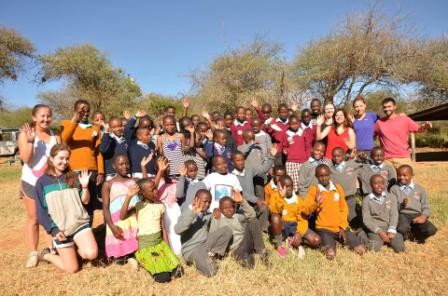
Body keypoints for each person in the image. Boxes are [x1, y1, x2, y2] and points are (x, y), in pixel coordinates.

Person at [35, 144, 98, 273]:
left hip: (79, 223)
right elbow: (41, 211)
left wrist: (85, 187)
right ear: (51, 158)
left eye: (67, 158)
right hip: (60, 229)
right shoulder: (42, 182)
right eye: (61, 158)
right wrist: (53, 230)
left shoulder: (74, 177)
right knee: (72, 269)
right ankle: (47, 255)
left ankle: (76, 247)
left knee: (91, 254)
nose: (64, 162)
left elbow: (85, 201)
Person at [18, 104, 60, 268]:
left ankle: (51, 248)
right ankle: (34, 253)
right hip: (30, 182)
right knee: (34, 218)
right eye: (42, 116)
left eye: (48, 116)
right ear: (34, 117)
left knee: (50, 217)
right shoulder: (25, 134)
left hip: (49, 183)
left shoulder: (54, 137)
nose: (46, 119)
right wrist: (30, 141)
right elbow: (26, 159)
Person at [120, 179, 182, 283]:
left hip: (159, 244)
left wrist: (168, 249)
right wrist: (128, 197)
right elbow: (122, 216)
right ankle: (139, 259)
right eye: (152, 190)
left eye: (156, 188)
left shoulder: (160, 206)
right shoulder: (138, 206)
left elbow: (163, 229)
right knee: (163, 278)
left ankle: (147, 262)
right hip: (146, 247)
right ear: (142, 193)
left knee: (177, 272)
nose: (156, 191)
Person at [302, 164, 366, 259]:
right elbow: (305, 210)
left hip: (340, 227)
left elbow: (343, 209)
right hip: (324, 229)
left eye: (326, 175)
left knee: (361, 249)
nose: (324, 178)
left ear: (330, 174)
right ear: (316, 177)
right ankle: (326, 242)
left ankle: (347, 237)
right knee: (330, 254)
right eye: (321, 176)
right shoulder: (314, 190)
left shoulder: (337, 188)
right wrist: (316, 203)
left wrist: (342, 226)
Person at [60, 99, 104, 221]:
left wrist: (100, 171)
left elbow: (98, 151)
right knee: (75, 202)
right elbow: (64, 140)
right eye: (82, 110)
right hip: (74, 171)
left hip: (92, 172)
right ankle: (75, 234)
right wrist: (75, 119)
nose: (85, 113)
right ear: (75, 110)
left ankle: (88, 232)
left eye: (87, 111)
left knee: (90, 204)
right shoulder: (67, 124)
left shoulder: (95, 128)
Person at [174, 190, 233, 277]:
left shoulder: (207, 215)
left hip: (205, 244)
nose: (207, 204)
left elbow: (216, 227)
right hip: (192, 249)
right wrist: (193, 214)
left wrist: (217, 212)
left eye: (209, 202)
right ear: (195, 200)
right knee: (211, 271)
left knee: (227, 230)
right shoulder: (187, 213)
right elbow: (177, 230)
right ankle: (201, 261)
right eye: (205, 201)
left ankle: (213, 254)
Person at [210, 193, 268, 268]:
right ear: (220, 209)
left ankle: (262, 253)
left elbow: (252, 215)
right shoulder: (218, 219)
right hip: (234, 249)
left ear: (235, 207)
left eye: (231, 207)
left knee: (253, 221)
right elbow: (213, 235)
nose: (229, 210)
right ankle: (244, 257)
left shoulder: (237, 217)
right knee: (249, 265)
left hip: (244, 242)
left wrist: (242, 201)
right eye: (225, 208)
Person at [269, 176, 321, 258]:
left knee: (316, 240)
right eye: (286, 186)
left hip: (294, 226)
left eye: (291, 186)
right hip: (281, 226)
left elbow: (302, 219)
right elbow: (275, 211)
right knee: (275, 217)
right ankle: (279, 246)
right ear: (280, 186)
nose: (289, 188)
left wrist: (299, 233)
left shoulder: (298, 199)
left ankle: (293, 240)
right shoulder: (275, 196)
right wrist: (281, 197)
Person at [101, 154, 139, 264]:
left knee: (137, 250)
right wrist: (112, 226)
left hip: (134, 219)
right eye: (121, 164)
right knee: (120, 259)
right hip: (119, 222)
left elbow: (149, 186)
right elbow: (105, 207)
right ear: (114, 166)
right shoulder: (108, 184)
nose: (125, 166)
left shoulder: (135, 180)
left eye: (127, 163)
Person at [374, 97, 432, 168]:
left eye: (389, 106)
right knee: (386, 179)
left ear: (395, 107)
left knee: (406, 179)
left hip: (403, 158)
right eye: (385, 107)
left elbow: (418, 129)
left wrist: (425, 126)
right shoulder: (379, 123)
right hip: (386, 159)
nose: (387, 109)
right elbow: (371, 136)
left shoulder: (404, 119)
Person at [390, 165, 437, 243]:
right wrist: (402, 205)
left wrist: (423, 216)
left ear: (412, 175)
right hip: (403, 214)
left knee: (431, 230)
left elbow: (426, 206)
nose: (401, 177)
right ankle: (407, 234)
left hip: (417, 214)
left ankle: (417, 236)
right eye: (399, 175)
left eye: (405, 175)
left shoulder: (420, 189)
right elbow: (392, 208)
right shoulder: (394, 189)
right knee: (402, 228)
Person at [362, 175, 404, 253]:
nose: (379, 185)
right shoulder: (366, 200)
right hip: (375, 228)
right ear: (371, 185)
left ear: (385, 184)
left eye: (382, 183)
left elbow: (394, 214)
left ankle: (387, 240)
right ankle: (361, 234)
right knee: (374, 249)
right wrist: (379, 232)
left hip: (388, 226)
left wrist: (392, 229)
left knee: (400, 248)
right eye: (376, 183)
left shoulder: (391, 197)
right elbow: (366, 219)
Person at [329, 147, 361, 227]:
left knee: (354, 221)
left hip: (350, 198)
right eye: (334, 156)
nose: (336, 158)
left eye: (338, 156)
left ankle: (360, 235)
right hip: (337, 200)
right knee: (338, 222)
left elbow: (364, 164)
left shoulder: (351, 164)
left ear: (344, 156)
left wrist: (361, 157)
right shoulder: (331, 168)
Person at [282, 115, 312, 193]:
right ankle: (294, 198)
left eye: (296, 123)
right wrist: (285, 150)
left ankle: (303, 197)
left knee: (302, 181)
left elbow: (307, 146)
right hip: (291, 161)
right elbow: (284, 145)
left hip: (303, 161)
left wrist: (308, 158)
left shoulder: (303, 132)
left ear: (299, 123)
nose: (294, 125)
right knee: (292, 182)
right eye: (292, 124)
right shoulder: (286, 134)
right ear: (289, 124)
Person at [352, 96, 379, 160]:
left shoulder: (373, 116)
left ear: (365, 105)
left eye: (361, 106)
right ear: (354, 108)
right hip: (357, 151)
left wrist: (399, 115)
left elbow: (385, 120)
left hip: (371, 150)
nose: (359, 108)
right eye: (356, 106)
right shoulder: (352, 118)